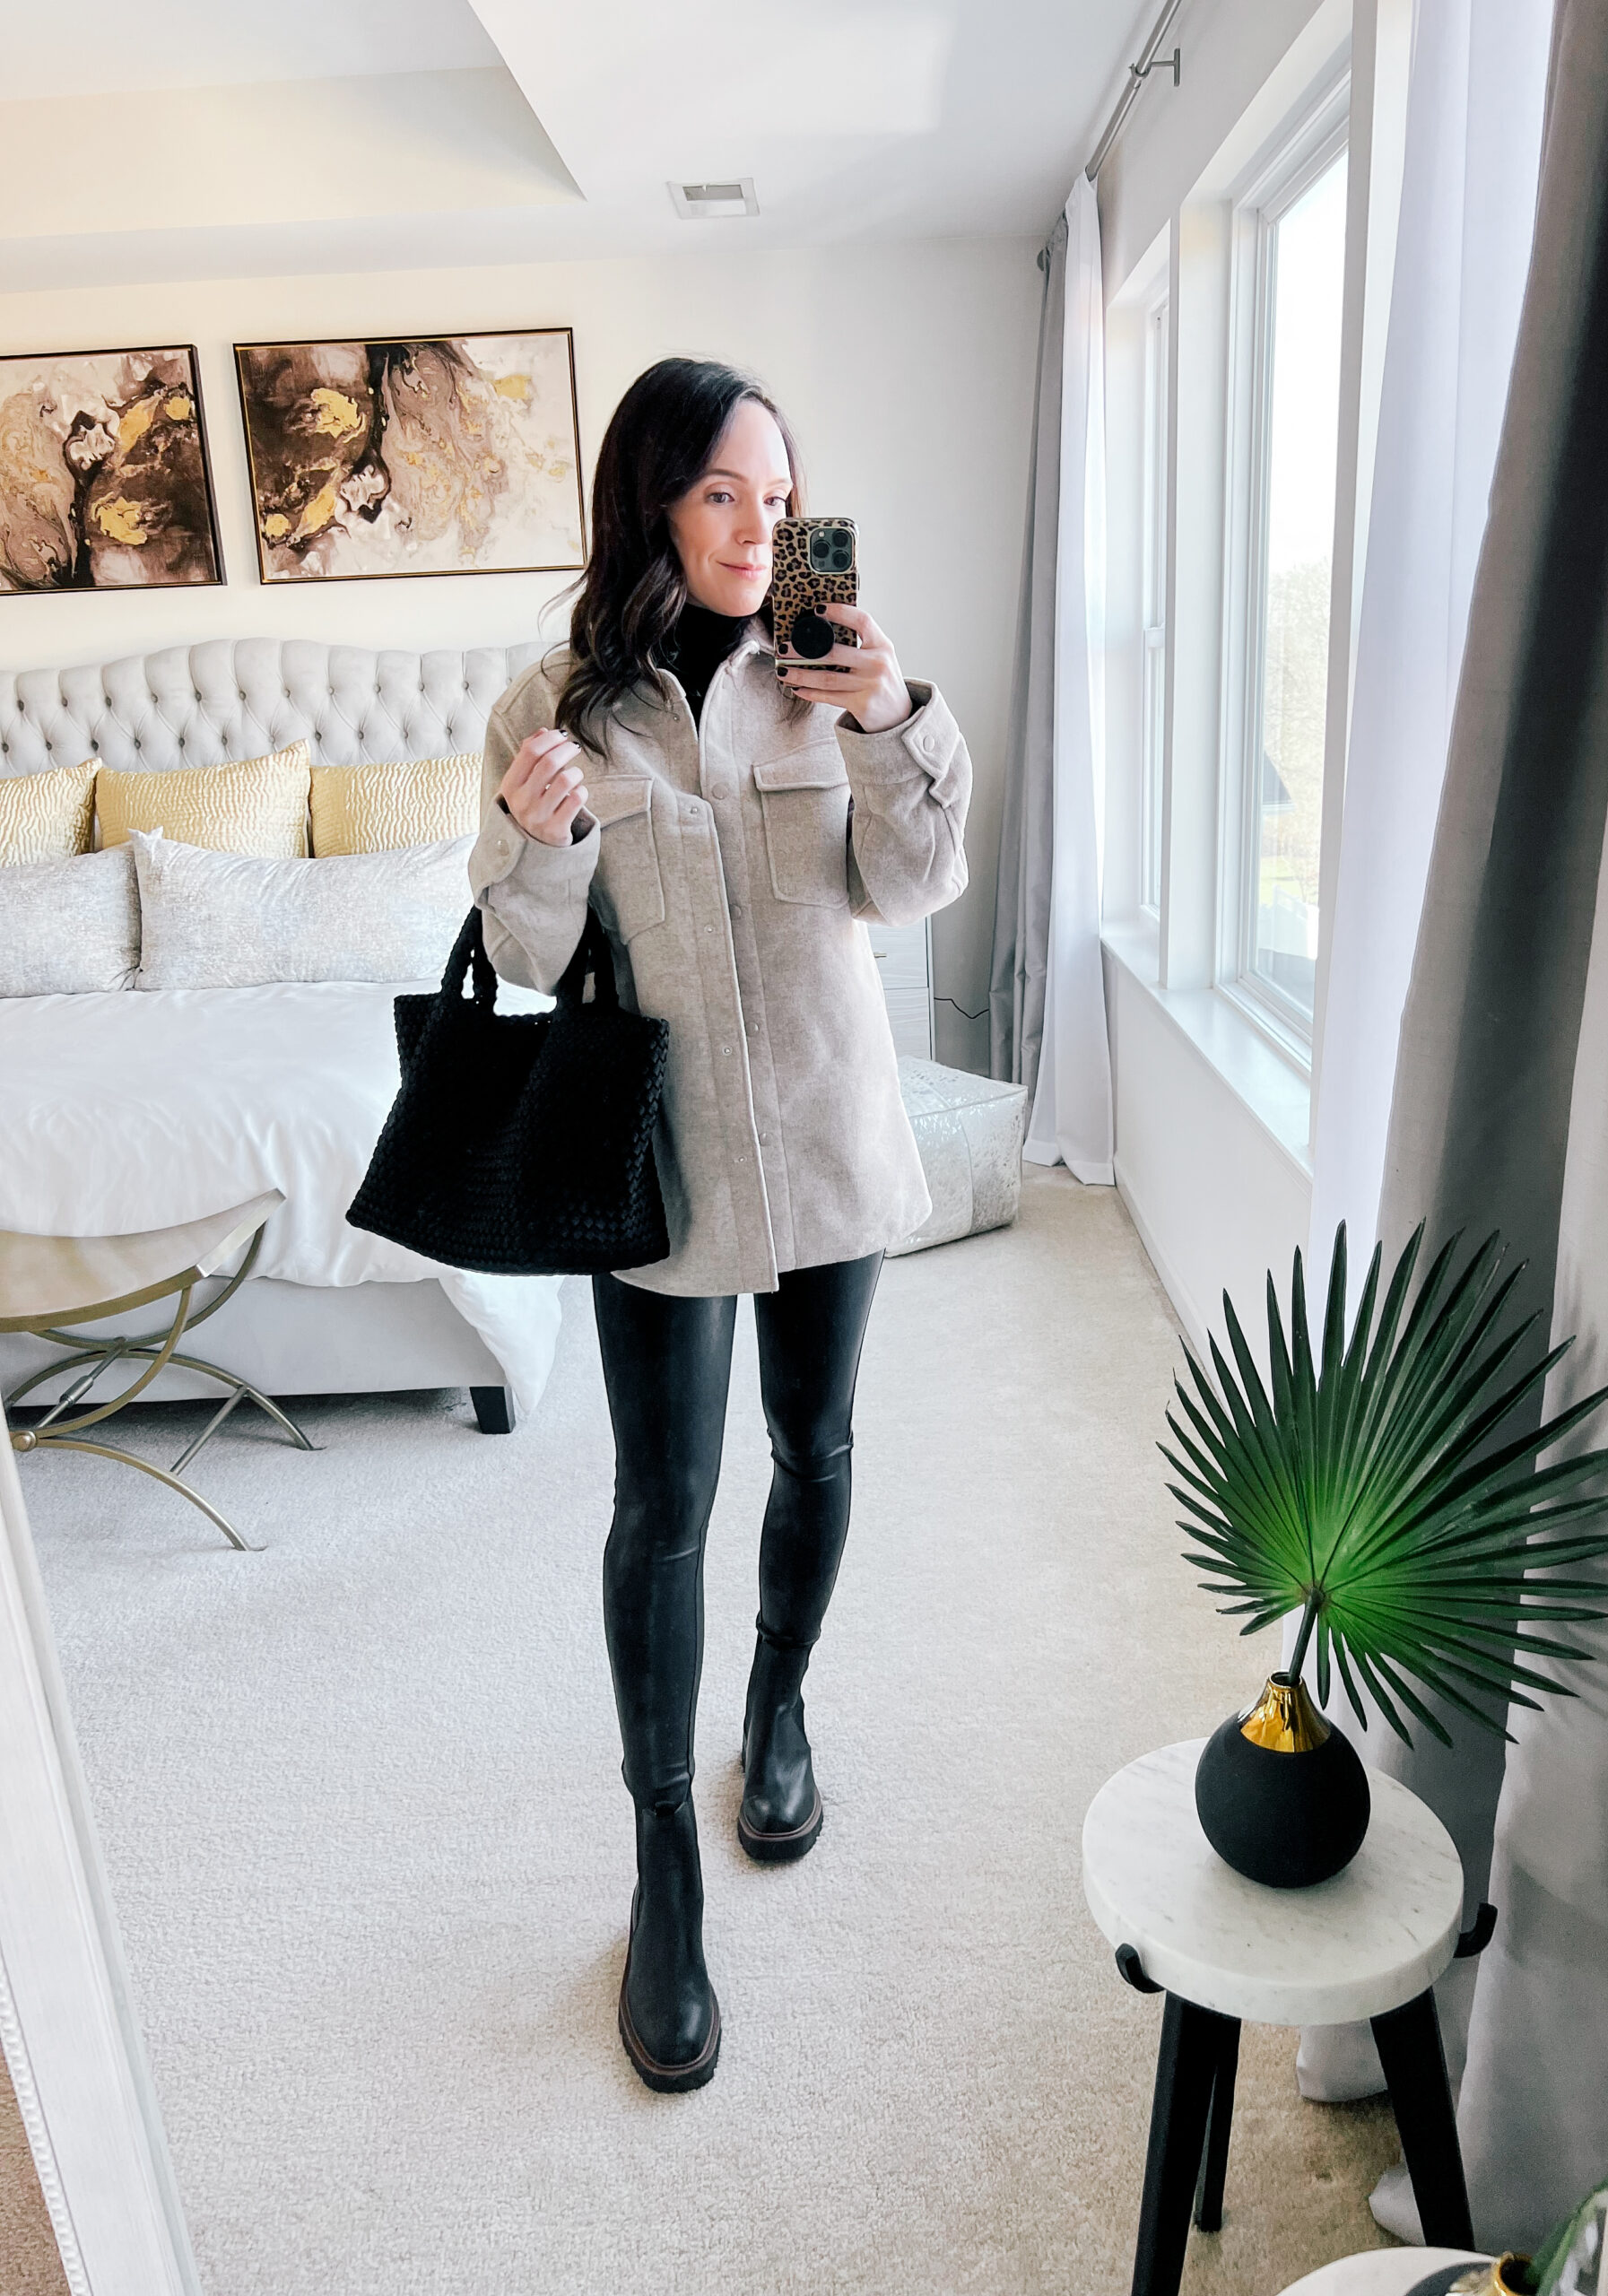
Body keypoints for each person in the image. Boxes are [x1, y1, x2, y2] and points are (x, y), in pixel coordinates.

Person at [471, 357, 972, 2092]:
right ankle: (660, 1859)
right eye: (722, 495)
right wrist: (537, 845)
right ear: (654, 501)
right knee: (661, 1503)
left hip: (829, 1139)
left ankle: (780, 1708)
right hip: (663, 1162)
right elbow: (525, 958)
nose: (761, 530)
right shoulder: (555, 705)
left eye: (782, 496)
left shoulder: (829, 669)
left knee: (816, 1446)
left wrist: (897, 719)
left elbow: (912, 886)